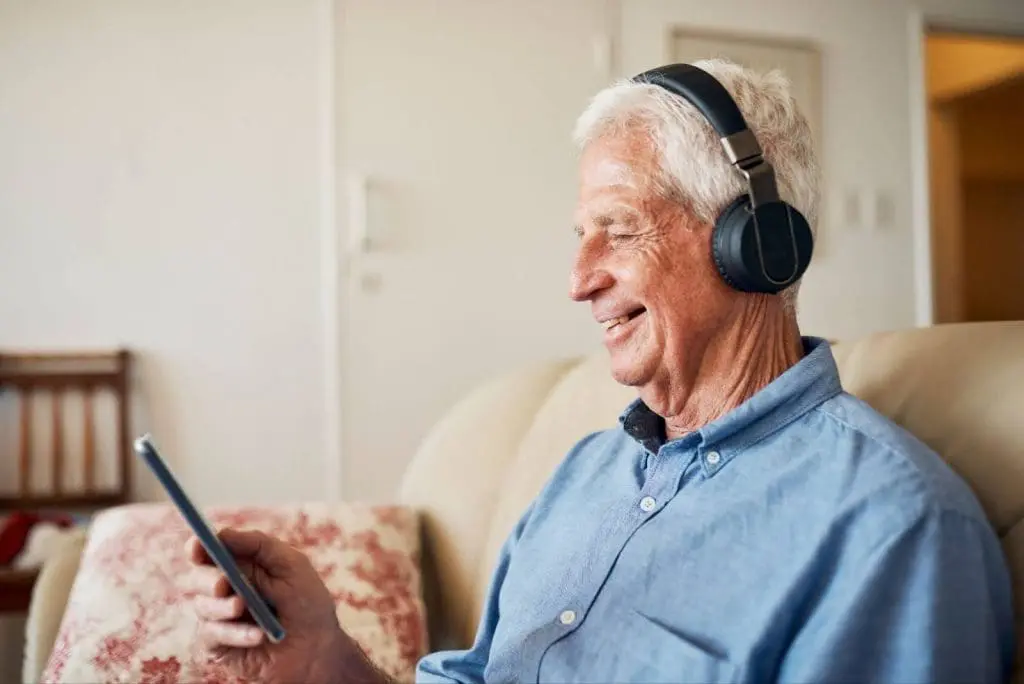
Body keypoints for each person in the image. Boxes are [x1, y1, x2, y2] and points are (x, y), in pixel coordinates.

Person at [185, 58, 1016, 683]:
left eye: (617, 231)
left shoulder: (892, 525)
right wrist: (328, 655)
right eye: (579, 238)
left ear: (754, 243)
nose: (578, 281)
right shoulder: (584, 474)